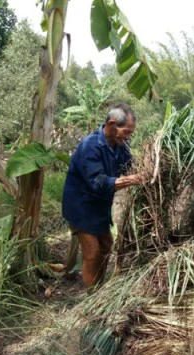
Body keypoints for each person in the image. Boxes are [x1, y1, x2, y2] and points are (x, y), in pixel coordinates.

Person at [62, 103, 141, 289]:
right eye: (126, 132)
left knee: (106, 246)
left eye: (130, 133)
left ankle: (99, 286)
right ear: (112, 124)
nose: (128, 137)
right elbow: (98, 182)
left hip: (100, 206)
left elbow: (131, 165)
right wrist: (134, 179)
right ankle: (92, 296)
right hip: (81, 206)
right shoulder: (90, 146)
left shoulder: (121, 145)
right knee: (92, 253)